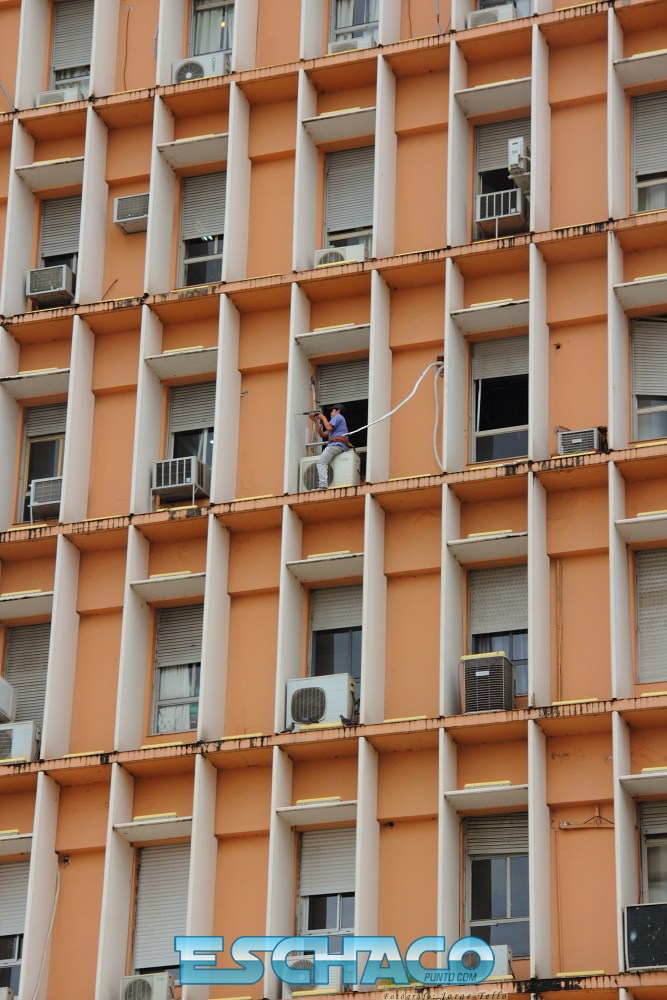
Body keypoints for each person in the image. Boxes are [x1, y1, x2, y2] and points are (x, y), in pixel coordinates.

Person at [309, 404, 350, 488]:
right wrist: (315, 421)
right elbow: (323, 434)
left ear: (337, 410)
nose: (330, 413)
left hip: (336, 444)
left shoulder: (338, 416)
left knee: (321, 462)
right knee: (323, 462)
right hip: (339, 445)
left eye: (332, 411)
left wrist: (323, 418)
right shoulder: (337, 422)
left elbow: (329, 427)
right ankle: (323, 484)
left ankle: (323, 485)